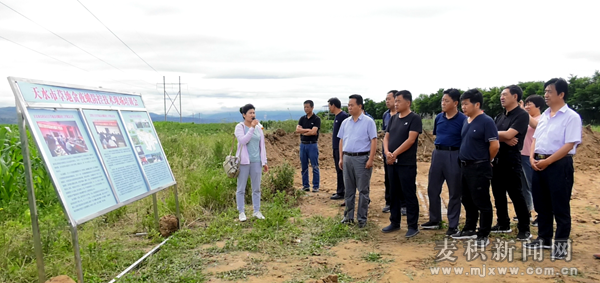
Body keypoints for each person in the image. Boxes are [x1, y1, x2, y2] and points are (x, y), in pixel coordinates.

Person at [524, 78, 582, 260]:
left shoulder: (571, 117)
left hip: (558, 164)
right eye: (545, 91)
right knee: (542, 204)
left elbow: (569, 144)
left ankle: (561, 245)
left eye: (549, 91)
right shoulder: (545, 116)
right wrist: (532, 157)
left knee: (560, 206)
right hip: (539, 163)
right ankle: (544, 238)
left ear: (561, 94)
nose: (546, 95)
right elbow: (535, 140)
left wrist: (548, 162)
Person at [451, 89, 499, 248]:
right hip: (464, 166)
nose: (463, 107)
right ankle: (469, 228)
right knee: (467, 199)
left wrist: (486, 160)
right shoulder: (467, 121)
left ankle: (483, 233)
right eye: (462, 104)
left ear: (477, 104)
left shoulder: (486, 121)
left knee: (482, 201)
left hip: (479, 167)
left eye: (466, 104)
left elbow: (494, 145)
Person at [421, 89, 466, 236]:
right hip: (437, 154)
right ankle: (434, 220)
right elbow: (436, 135)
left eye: (446, 101)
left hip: (454, 154)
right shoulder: (439, 117)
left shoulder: (462, 120)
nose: (443, 103)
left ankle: (453, 225)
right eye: (442, 100)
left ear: (455, 103)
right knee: (432, 188)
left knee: (454, 191)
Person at [490, 85, 531, 240]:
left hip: (511, 160)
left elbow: (509, 134)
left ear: (515, 97)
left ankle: (524, 228)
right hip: (497, 158)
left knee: (516, 194)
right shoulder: (500, 117)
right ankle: (503, 223)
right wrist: (503, 136)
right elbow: (496, 136)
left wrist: (502, 135)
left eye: (505, 94)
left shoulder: (521, 115)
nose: (502, 97)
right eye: (501, 94)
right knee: (498, 193)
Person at [382, 90, 422, 238]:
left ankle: (412, 226)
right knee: (393, 193)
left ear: (408, 102)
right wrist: (387, 153)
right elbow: (386, 137)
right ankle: (394, 222)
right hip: (391, 162)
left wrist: (395, 153)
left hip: (406, 163)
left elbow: (411, 140)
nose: (396, 104)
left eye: (398, 101)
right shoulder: (393, 119)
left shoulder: (414, 118)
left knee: (408, 193)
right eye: (395, 101)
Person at [338, 94, 377, 228]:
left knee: (363, 191)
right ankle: (348, 217)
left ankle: (362, 219)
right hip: (347, 157)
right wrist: (341, 157)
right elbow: (341, 140)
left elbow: (373, 140)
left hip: (362, 158)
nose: (349, 107)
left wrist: (371, 159)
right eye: (348, 105)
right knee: (348, 189)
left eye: (351, 105)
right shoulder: (345, 122)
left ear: (359, 106)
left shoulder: (368, 122)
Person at [234, 104, 269, 222]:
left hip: (256, 161)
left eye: (254, 113)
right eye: (250, 113)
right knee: (241, 188)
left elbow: (262, 145)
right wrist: (252, 128)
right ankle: (241, 212)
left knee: (257, 188)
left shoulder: (259, 128)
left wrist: (264, 161)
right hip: (244, 162)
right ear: (244, 115)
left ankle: (257, 211)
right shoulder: (240, 127)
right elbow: (243, 140)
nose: (253, 115)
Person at [520, 94, 545, 227]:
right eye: (526, 104)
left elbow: (535, 125)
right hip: (521, 155)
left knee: (534, 186)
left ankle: (541, 214)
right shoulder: (526, 118)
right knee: (523, 187)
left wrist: (524, 111)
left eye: (530, 104)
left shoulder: (541, 119)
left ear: (538, 107)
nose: (527, 107)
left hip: (531, 157)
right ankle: (526, 212)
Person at [381, 90, 406, 215]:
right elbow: (385, 134)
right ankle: (389, 202)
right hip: (387, 152)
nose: (387, 101)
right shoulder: (386, 115)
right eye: (386, 99)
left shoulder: (404, 116)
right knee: (388, 178)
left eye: (389, 99)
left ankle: (403, 204)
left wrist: (394, 153)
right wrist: (387, 152)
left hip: (401, 154)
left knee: (401, 179)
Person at [296, 100, 321, 192]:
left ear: (312, 107)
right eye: (305, 107)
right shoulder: (302, 119)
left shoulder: (316, 119)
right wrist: (308, 131)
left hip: (312, 145)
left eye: (307, 107)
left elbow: (314, 132)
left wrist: (303, 131)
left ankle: (315, 186)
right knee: (304, 166)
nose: (306, 109)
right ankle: (305, 185)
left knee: (314, 165)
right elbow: (297, 130)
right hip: (303, 145)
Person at [328, 98, 349, 201]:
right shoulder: (337, 117)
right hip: (336, 147)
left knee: (342, 170)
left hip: (341, 148)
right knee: (338, 169)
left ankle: (342, 192)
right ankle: (340, 190)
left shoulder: (343, 117)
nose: (328, 108)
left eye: (329, 105)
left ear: (333, 105)